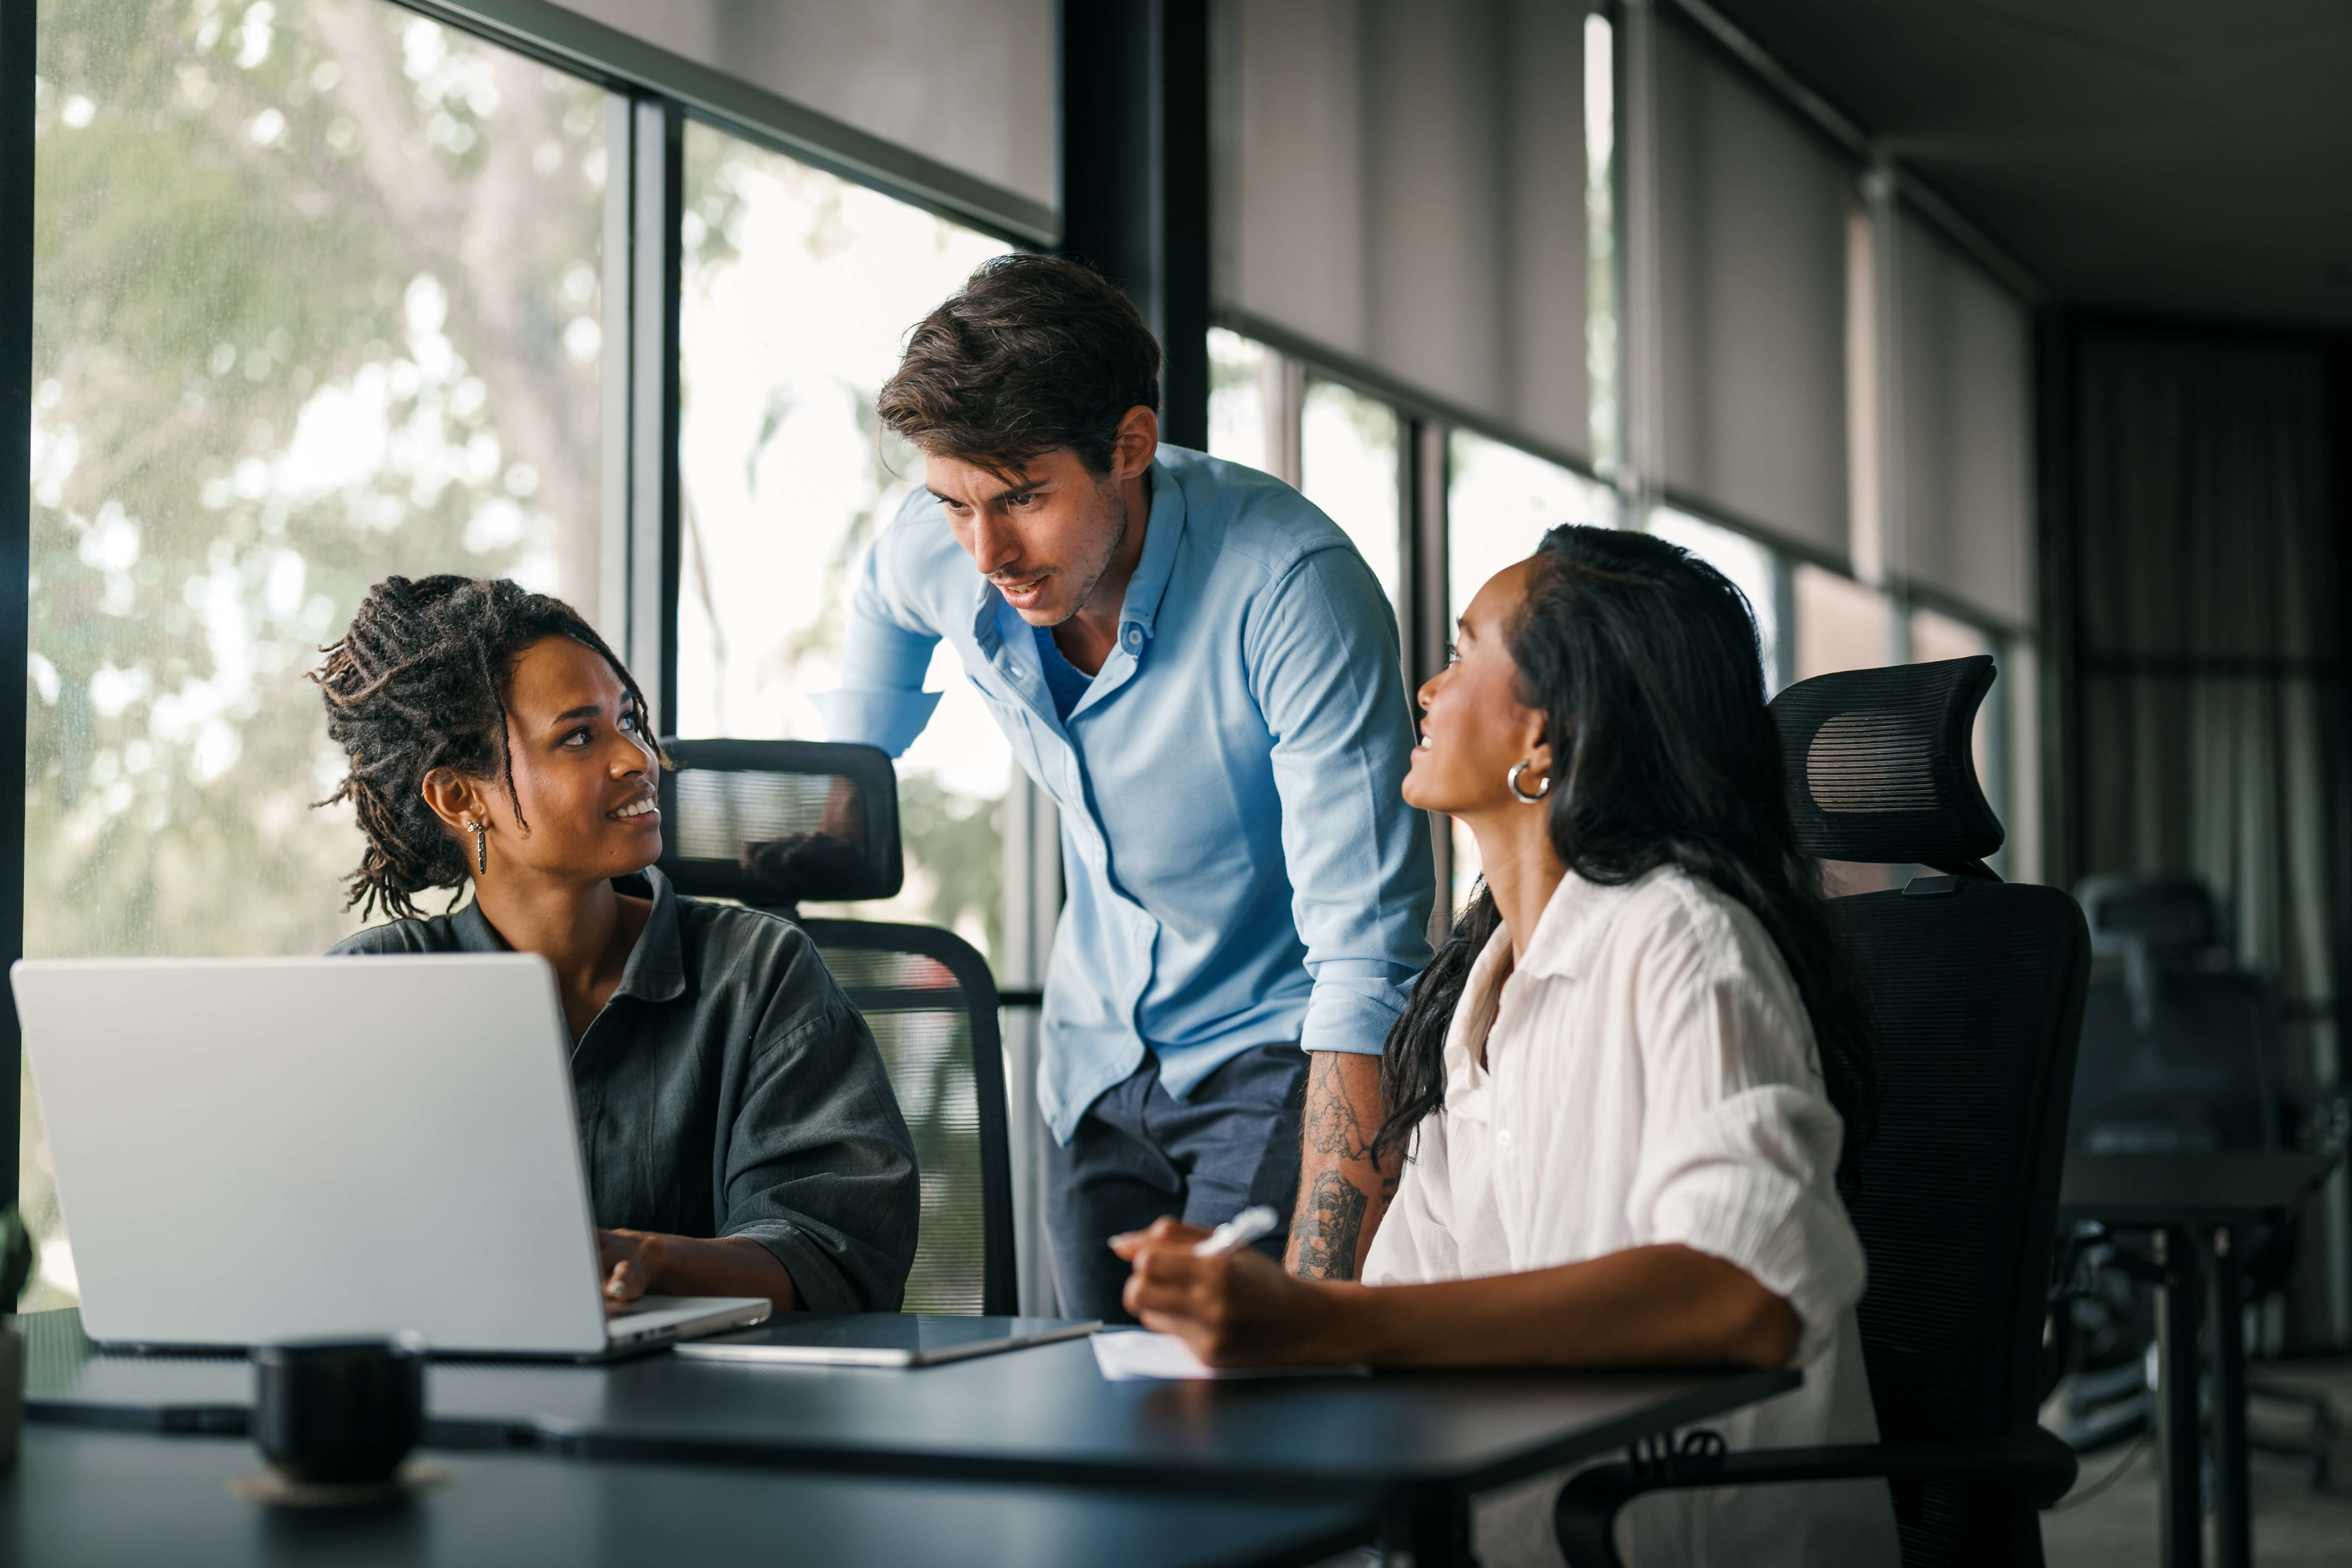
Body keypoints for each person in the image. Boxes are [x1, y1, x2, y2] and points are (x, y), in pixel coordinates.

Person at [1114, 527, 1899, 1566]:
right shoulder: (1480, 995)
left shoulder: (1682, 940)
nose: (1427, 693)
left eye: (1461, 651)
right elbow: (1411, 1309)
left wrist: (1319, 1328)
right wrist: (1269, 1327)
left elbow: (1744, 1292)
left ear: (1544, 737)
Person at [818, 254, 1432, 1318]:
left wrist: (1326, 1306)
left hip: (1276, 1054)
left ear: (1131, 446)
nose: (989, 551)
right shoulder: (952, 545)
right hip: (1093, 1058)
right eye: (956, 505)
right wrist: (849, 786)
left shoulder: (1292, 589)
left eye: (1023, 500)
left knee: (1244, 1427)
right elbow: (884, 591)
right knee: (1096, 1409)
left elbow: (1368, 961)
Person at [316, 575, 920, 1316]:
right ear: (460, 797)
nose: (638, 758)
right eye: (579, 736)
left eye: (628, 721)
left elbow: (839, 1251)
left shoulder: (757, 973)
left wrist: (648, 1261)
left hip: (707, 1412)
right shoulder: (368, 991)